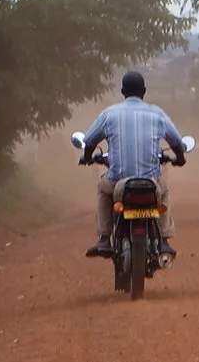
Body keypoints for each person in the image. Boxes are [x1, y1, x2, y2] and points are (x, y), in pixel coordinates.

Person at [80, 69, 188, 258]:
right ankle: (163, 240)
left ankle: (104, 238)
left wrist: (88, 157)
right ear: (144, 91)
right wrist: (180, 159)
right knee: (164, 190)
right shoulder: (157, 114)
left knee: (103, 188)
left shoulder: (109, 114)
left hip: (118, 182)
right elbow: (178, 143)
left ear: (122, 92)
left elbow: (89, 141)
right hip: (150, 182)